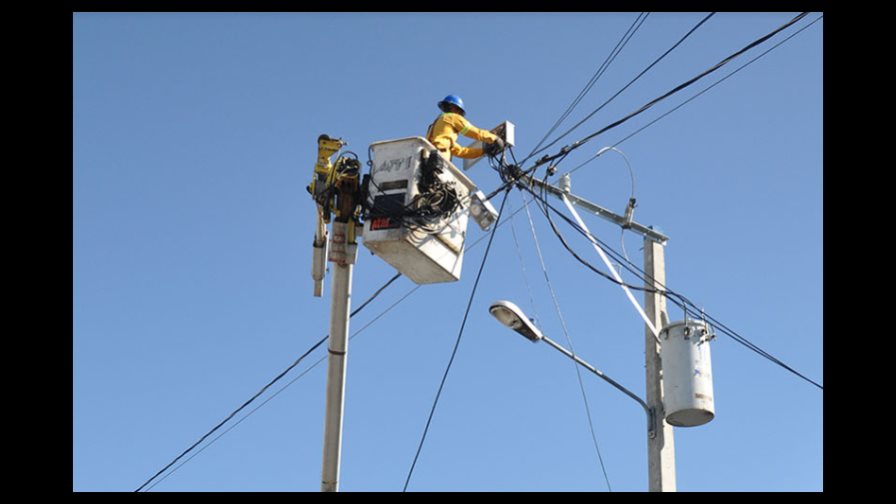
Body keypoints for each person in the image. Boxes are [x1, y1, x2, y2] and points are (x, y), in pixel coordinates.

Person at [425, 95, 505, 163]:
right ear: (454, 108)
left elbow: (461, 151)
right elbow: (473, 131)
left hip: (428, 158)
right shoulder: (452, 117)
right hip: (439, 156)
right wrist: (494, 138)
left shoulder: (440, 130)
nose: (459, 114)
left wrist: (483, 151)